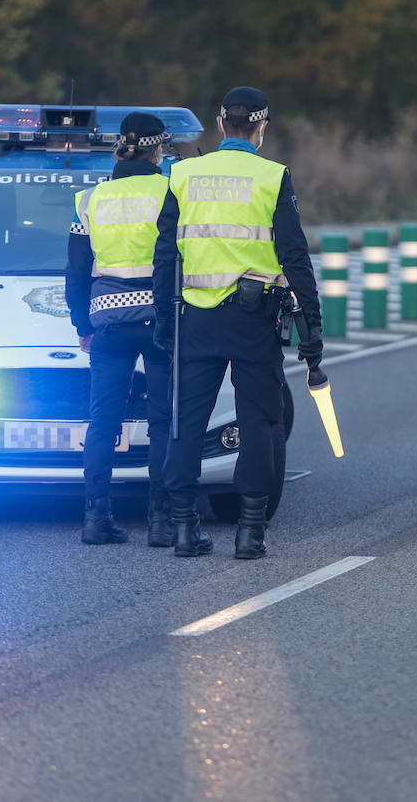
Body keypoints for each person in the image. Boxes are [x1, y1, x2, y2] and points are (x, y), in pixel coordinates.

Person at [152, 87, 322, 559]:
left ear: (221, 123)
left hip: (196, 321)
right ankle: (251, 533)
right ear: (262, 128)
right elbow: (295, 256)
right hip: (255, 321)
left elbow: (165, 255)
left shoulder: (183, 174)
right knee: (259, 424)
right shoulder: (272, 177)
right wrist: (313, 330)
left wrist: (165, 323)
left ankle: (185, 528)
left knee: (187, 422)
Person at [65, 112, 174, 546]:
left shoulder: (90, 200)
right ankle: (163, 522)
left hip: (107, 319)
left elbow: (76, 270)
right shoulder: (171, 191)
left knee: (103, 419)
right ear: (157, 149)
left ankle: (96, 519)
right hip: (163, 318)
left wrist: (81, 323)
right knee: (163, 420)